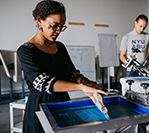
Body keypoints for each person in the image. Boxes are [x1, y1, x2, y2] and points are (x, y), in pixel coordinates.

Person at [17, 1, 108, 133]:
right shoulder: (26, 51)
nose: (58, 31)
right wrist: (81, 87)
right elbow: (44, 83)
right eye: (54, 26)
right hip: (40, 107)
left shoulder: (60, 47)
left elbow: (71, 73)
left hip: (62, 103)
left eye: (62, 27)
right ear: (39, 21)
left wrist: (85, 82)